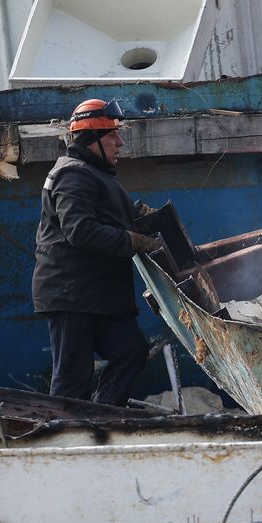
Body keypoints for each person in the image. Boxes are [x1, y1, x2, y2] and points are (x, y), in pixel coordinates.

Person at [32, 98, 160, 406]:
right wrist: (133, 241)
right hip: (72, 294)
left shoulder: (93, 173)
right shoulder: (73, 174)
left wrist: (140, 215)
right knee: (73, 379)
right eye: (112, 135)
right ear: (92, 140)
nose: (120, 142)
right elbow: (80, 230)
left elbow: (108, 213)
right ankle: (66, 441)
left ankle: (100, 418)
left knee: (130, 351)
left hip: (95, 295)